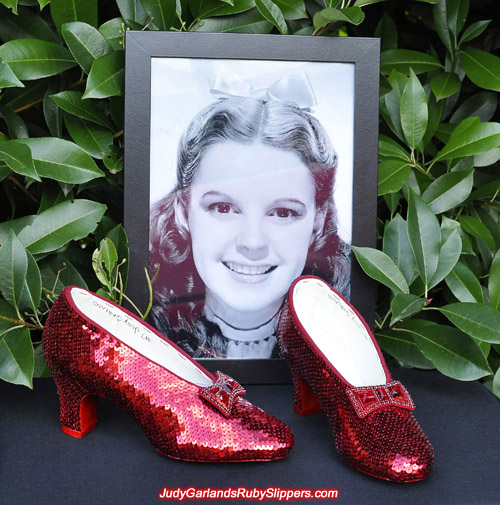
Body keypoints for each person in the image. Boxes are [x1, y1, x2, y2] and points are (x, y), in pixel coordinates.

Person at [149, 95, 350, 359]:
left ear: (318, 218)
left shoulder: (350, 336)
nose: (252, 243)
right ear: (183, 212)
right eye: (223, 208)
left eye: (282, 212)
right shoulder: (139, 322)